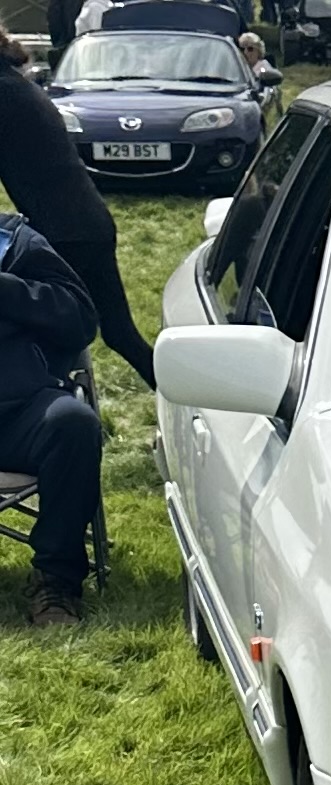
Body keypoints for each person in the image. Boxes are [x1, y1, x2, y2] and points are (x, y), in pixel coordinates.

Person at [0, 28, 155, 390]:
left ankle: (56, 413)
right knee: (117, 333)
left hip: (66, 232)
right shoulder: (12, 84)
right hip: (87, 224)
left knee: (42, 331)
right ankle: (182, 402)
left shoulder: (3, 93)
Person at [0, 211, 102, 626]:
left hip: (17, 413)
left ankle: (56, 582)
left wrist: (7, 291)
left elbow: (80, 320)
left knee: (72, 422)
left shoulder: (13, 240)